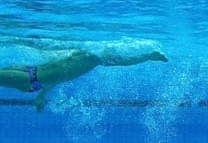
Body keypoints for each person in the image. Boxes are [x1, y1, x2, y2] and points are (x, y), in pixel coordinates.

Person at [0, 48, 168, 112]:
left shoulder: (97, 59)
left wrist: (148, 56)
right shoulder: (83, 51)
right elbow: (57, 78)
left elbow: (124, 62)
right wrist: (41, 96)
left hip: (31, 80)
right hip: (31, 71)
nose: (112, 55)